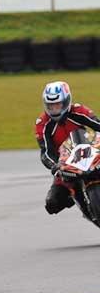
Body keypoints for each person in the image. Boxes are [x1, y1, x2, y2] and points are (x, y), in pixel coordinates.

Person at [35, 81, 100, 215]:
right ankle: (74, 196)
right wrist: (55, 165)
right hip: (65, 164)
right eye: (51, 106)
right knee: (52, 203)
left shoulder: (79, 111)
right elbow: (46, 152)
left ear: (66, 101)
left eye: (58, 104)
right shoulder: (43, 124)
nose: (55, 109)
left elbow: (98, 125)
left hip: (87, 154)